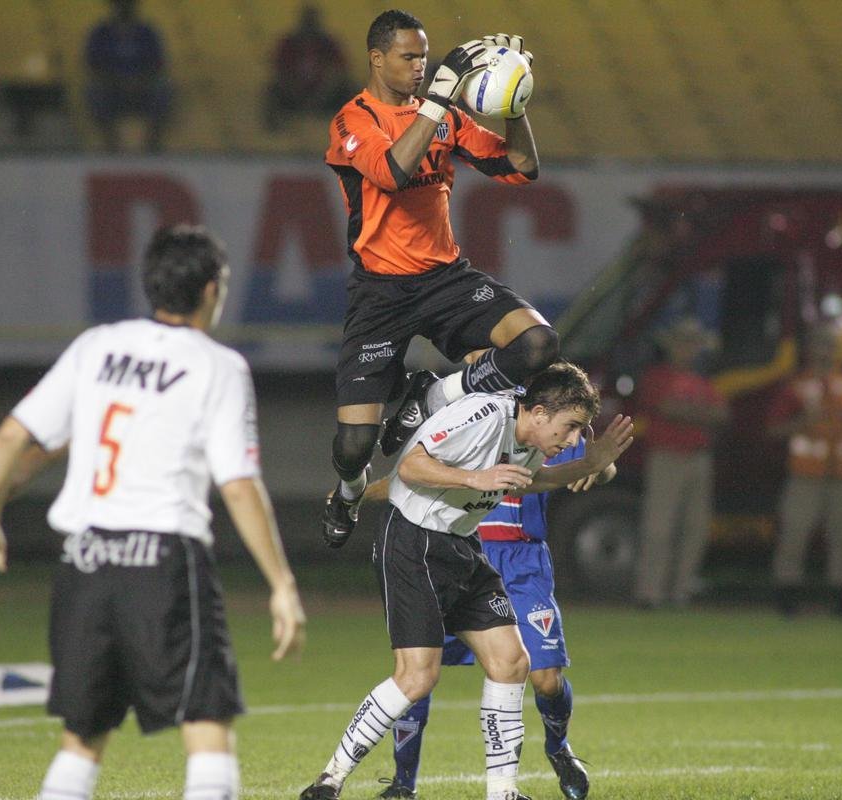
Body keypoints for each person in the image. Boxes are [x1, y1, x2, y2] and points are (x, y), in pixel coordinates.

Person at [0, 225, 307, 800]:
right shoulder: (218, 366)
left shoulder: (97, 345)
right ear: (213, 290)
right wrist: (281, 583)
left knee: (82, 739)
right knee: (206, 726)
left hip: (84, 559)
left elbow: (14, 434)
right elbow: (239, 484)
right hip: (163, 560)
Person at [299, 362, 635, 800]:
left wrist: (590, 463)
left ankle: (502, 792)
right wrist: (475, 478)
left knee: (512, 663)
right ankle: (330, 780)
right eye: (572, 427)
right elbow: (412, 467)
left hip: (462, 546)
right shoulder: (484, 415)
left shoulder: (531, 441)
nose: (573, 438)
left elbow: (538, 481)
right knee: (416, 678)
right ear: (537, 412)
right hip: (414, 542)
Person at [321, 10, 554, 551]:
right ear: (377, 58)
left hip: (444, 278)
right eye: (409, 57)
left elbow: (522, 168)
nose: (420, 67)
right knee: (356, 446)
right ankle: (349, 493)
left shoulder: (443, 117)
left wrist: (514, 101)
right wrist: (442, 97)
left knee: (538, 342)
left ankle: (433, 393)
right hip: (380, 292)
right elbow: (392, 173)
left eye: (424, 58)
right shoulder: (352, 121)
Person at [377, 435, 615, 800]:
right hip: (459, 554)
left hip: (522, 563)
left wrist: (597, 469)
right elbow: (410, 474)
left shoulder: (544, 420)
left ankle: (558, 748)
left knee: (547, 679)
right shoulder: (467, 422)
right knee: (419, 667)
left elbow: (602, 465)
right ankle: (402, 782)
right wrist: (351, 496)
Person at [767, 322, 842, 617]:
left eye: (829, 345)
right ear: (809, 350)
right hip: (805, 474)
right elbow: (774, 430)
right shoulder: (795, 386)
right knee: (794, 535)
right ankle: (787, 599)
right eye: (818, 345)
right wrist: (802, 420)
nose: (824, 351)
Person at [632, 317, 729, 609]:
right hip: (666, 456)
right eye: (683, 342)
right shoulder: (657, 377)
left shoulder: (702, 381)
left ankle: (680, 590)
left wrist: (690, 412)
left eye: (693, 343)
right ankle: (650, 592)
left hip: (698, 457)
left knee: (694, 528)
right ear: (671, 346)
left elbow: (722, 415)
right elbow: (667, 409)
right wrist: (701, 413)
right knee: (658, 527)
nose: (688, 349)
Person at [84, 0, 173, 152]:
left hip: (144, 88)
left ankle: (152, 145)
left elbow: (158, 63)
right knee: (94, 91)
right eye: (120, 4)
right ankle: (111, 145)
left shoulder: (147, 32)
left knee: (163, 89)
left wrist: (140, 81)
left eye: (128, 3)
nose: (124, 7)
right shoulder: (101, 32)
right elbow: (93, 64)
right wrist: (116, 82)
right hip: (111, 88)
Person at [264, 4, 355, 130]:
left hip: (326, 94)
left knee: (352, 91)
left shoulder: (329, 44)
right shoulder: (288, 43)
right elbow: (280, 73)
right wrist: (295, 92)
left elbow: (339, 73)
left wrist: (322, 95)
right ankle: (275, 134)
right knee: (271, 91)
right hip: (293, 94)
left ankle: (351, 131)